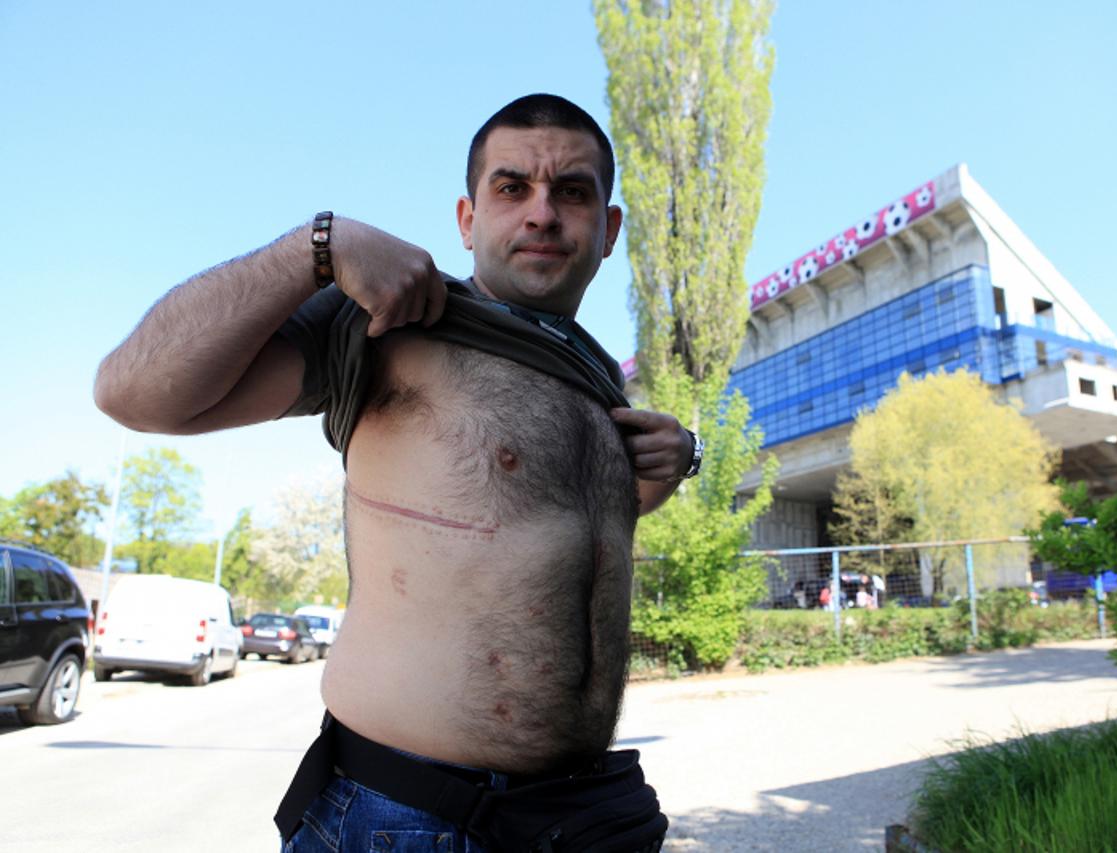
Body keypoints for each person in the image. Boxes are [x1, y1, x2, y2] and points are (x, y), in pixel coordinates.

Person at [94, 94, 689, 853]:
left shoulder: (599, 376)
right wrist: (313, 248)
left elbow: (550, 546)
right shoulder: (397, 322)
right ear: (467, 220)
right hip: (410, 820)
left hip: (580, 818)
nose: (542, 213)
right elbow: (132, 392)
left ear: (606, 230)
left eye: (571, 192)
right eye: (512, 188)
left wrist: (670, 465)